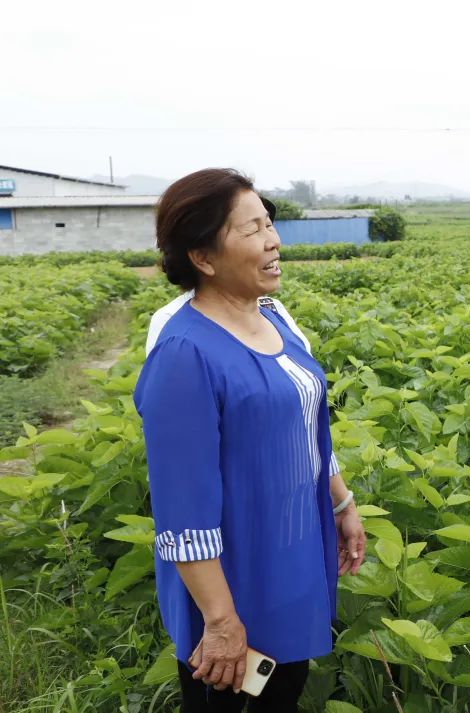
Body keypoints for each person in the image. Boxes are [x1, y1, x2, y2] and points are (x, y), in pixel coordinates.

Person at [134, 168, 366, 712]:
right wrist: (219, 621)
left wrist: (341, 500)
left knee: (281, 692)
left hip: (290, 559)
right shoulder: (185, 356)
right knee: (230, 701)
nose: (273, 241)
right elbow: (182, 512)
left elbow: (303, 423)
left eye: (269, 223)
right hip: (231, 582)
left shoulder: (275, 318)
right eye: (251, 229)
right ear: (204, 257)